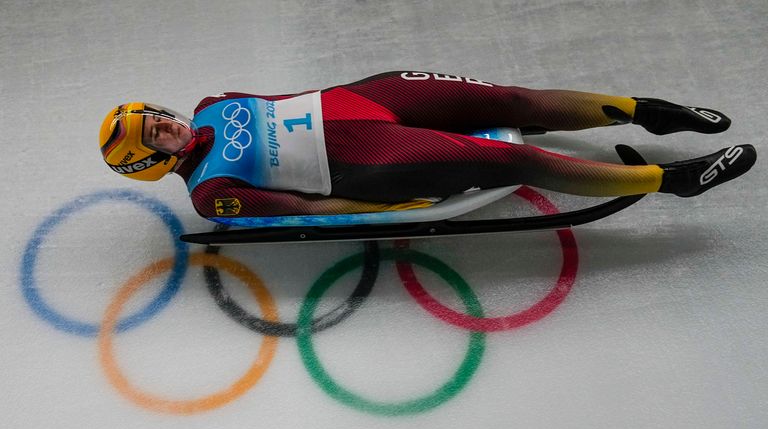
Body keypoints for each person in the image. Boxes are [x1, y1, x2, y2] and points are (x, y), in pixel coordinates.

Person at [98, 71, 756, 219]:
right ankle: (673, 182)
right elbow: (309, 210)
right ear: (153, 160)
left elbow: (285, 100)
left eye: (157, 115)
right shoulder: (212, 195)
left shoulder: (214, 103)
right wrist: (389, 210)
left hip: (366, 101)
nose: (167, 123)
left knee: (511, 102)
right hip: (363, 161)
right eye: (155, 133)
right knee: (516, 159)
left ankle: (651, 113)